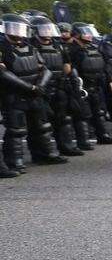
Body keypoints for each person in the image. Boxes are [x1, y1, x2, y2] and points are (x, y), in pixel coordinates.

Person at [1, 13, 68, 171]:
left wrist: (40, 86)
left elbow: (45, 69)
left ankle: (46, 154)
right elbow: (3, 73)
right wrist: (29, 87)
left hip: (35, 93)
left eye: (20, 28)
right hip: (14, 94)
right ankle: (14, 162)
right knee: (16, 130)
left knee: (42, 125)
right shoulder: (2, 48)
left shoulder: (30, 47)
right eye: (14, 28)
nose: (17, 32)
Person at [29, 15, 84, 156]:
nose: (47, 32)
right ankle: (41, 153)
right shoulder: (31, 46)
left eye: (48, 29)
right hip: (41, 88)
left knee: (63, 119)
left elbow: (67, 64)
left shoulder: (58, 45)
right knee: (41, 123)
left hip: (59, 86)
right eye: (44, 29)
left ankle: (66, 146)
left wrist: (69, 80)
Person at [69, 22, 112, 145]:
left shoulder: (94, 48)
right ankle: (83, 141)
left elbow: (105, 66)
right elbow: (71, 70)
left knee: (99, 112)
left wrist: (111, 81)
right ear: (76, 34)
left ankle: (103, 136)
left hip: (97, 85)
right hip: (82, 86)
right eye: (85, 32)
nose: (89, 35)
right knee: (82, 115)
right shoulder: (71, 50)